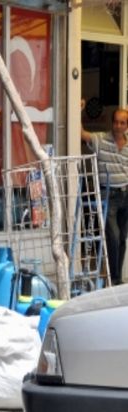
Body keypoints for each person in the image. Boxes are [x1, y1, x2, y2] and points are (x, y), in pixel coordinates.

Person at [82, 108, 128, 285]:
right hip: (108, 194)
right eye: (116, 121)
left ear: (126, 126)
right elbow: (81, 133)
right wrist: (79, 109)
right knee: (114, 237)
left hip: (126, 194)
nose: (118, 126)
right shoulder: (101, 139)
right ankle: (114, 278)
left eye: (122, 123)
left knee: (123, 237)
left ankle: (116, 277)